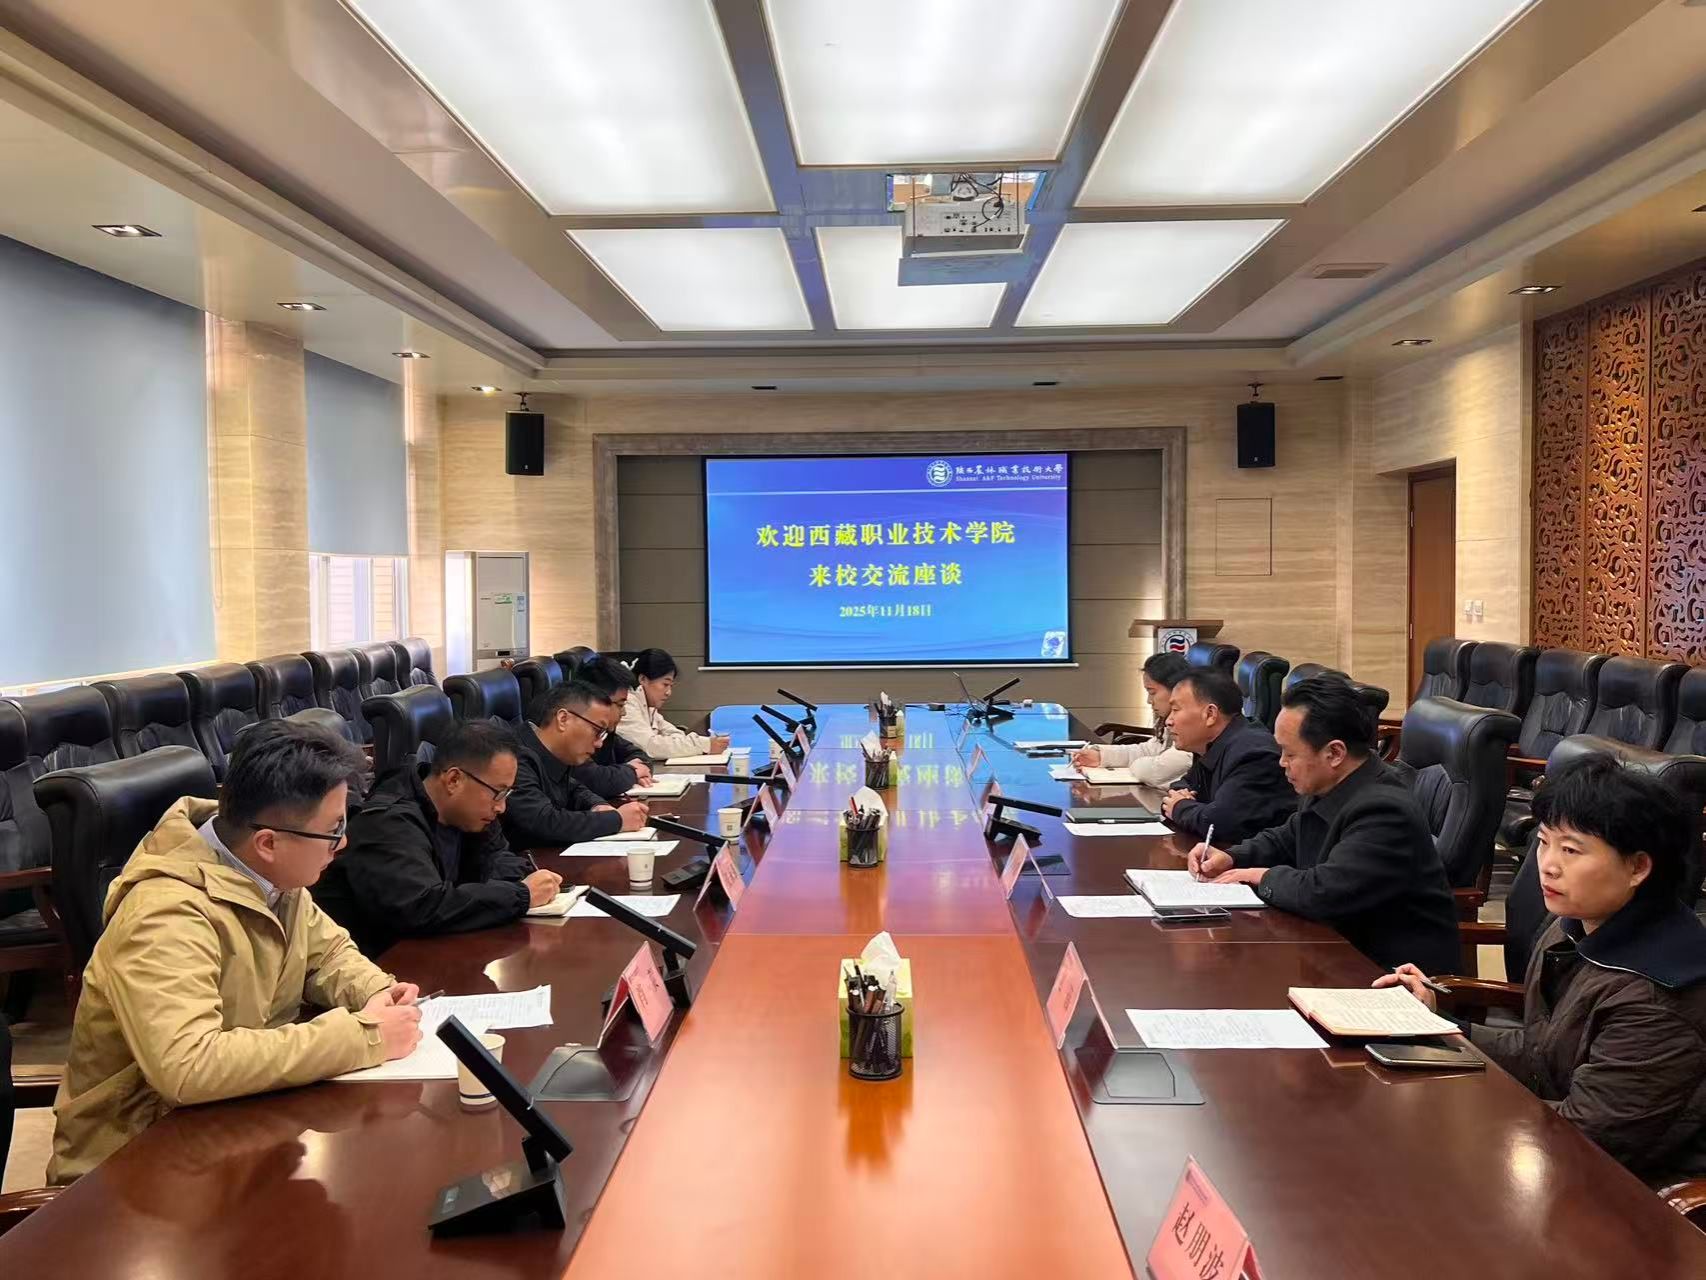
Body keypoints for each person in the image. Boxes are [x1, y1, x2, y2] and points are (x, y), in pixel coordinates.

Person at [48, 721, 423, 1184]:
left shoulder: (269, 871)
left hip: (234, 1127)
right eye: (333, 830)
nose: (342, 843)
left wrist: (377, 992)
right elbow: (189, 1066)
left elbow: (328, 955)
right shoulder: (164, 914)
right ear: (269, 843)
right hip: (133, 1168)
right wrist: (363, 1036)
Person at [1379, 753, 1706, 1187]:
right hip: (1550, 1156)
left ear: (1638, 867)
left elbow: (1585, 1140)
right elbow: (1543, 1052)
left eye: (1570, 850)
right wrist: (1438, 1022)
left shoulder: (1659, 997)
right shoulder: (1575, 923)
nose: (1548, 864)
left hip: (1634, 1196)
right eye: (1544, 842)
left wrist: (1456, 1114)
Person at [1189, 675, 1458, 973]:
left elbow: (1324, 892)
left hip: (1391, 976)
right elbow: (1288, 836)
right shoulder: (1329, 783)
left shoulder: (1383, 810)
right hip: (1336, 951)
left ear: (1334, 753)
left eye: (1290, 753)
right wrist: (1232, 857)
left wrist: (1260, 876)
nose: (1281, 762)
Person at [313, 719, 561, 956]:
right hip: (380, 964)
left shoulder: (470, 815)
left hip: (438, 952)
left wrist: (528, 876)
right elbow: (422, 906)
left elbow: (497, 857)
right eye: (498, 793)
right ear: (454, 780)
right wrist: (521, 895)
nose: (502, 807)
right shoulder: (387, 823)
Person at [506, 681, 651, 849]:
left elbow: (574, 788)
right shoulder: (512, 756)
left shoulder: (555, 752)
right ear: (563, 719)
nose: (599, 744)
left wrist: (598, 805)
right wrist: (617, 820)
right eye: (597, 731)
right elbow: (543, 821)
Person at [1159, 668, 1295, 843]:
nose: (1168, 721)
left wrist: (1180, 808)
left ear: (1210, 714)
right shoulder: (1210, 745)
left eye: (1176, 709)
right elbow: (1179, 788)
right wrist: (1181, 803)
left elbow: (1220, 824)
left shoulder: (1254, 754)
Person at [1072, 652, 1193, 788]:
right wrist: (1101, 756)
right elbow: (1149, 750)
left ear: (1176, 689)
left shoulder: (1193, 729)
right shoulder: (1169, 722)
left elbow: (1155, 772)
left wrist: (1136, 765)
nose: (1149, 701)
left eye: (1152, 692)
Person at [567, 655, 656, 800]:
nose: (624, 712)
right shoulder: (573, 733)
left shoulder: (606, 732)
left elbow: (639, 755)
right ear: (596, 700)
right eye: (620, 705)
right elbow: (594, 780)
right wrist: (632, 773)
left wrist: (633, 771)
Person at [618, 648, 731, 761]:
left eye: (671, 686)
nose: (668, 692)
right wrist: (704, 745)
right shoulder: (626, 703)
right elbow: (650, 746)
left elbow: (674, 733)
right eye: (665, 684)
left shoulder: (648, 706)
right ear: (643, 679)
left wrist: (684, 744)